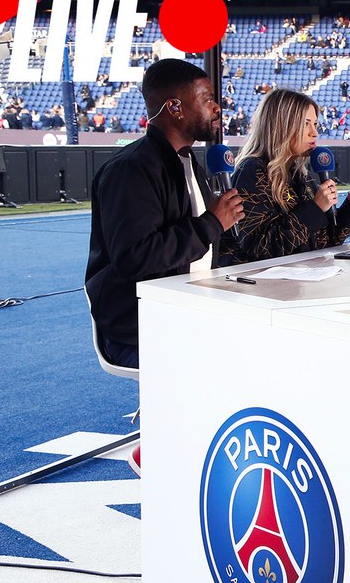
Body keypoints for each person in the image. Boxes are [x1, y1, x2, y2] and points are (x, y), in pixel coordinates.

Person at [85, 59, 245, 368]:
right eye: (208, 98)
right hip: (141, 326)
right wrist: (212, 222)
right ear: (175, 107)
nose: (217, 109)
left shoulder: (190, 165)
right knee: (236, 359)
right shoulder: (131, 170)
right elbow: (136, 257)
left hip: (190, 308)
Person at [222, 89, 350, 266]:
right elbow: (260, 250)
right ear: (281, 125)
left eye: (315, 124)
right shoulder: (253, 170)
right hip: (262, 287)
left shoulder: (300, 174)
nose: (314, 132)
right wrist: (315, 208)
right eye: (306, 124)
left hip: (301, 280)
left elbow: (326, 243)